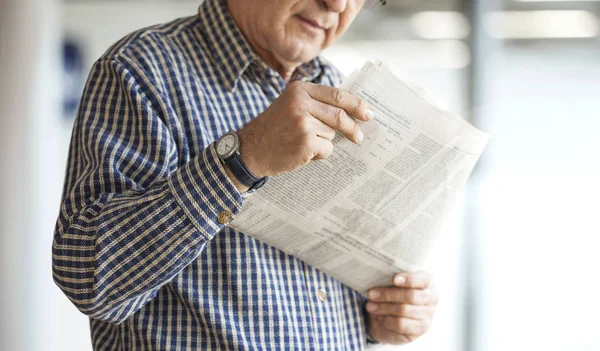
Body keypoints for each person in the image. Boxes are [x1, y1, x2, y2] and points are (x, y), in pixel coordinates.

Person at [52, 0, 439, 349]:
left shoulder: (339, 87)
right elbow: (89, 279)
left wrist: (378, 318)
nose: (337, 4)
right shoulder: (140, 69)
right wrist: (243, 158)